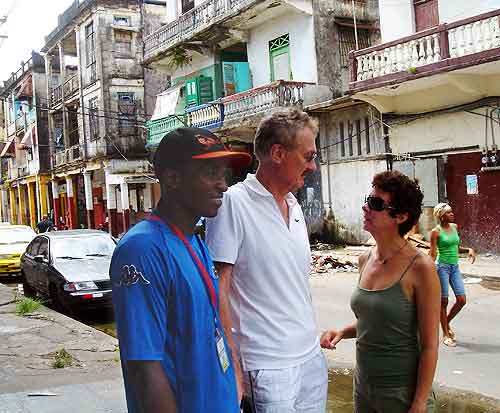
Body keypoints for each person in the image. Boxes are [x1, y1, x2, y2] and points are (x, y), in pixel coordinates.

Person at [110, 127, 251, 413]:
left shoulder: (194, 240)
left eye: (223, 174)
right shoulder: (142, 250)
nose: (223, 185)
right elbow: (144, 367)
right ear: (173, 178)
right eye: (210, 172)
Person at [206, 110, 328, 412]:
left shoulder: (292, 204)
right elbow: (219, 289)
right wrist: (232, 368)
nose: (312, 166)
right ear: (277, 153)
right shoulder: (234, 202)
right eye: (307, 156)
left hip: (310, 357)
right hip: (267, 366)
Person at [321, 171, 440, 413]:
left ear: (401, 216)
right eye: (368, 199)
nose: (365, 207)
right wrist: (342, 331)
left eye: (375, 204)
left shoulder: (421, 267)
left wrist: (418, 403)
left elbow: (430, 345)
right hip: (364, 388)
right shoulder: (365, 259)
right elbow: (377, 321)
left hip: (401, 394)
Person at [430, 203, 475, 347]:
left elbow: (455, 247)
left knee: (461, 300)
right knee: (443, 302)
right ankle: (445, 334)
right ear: (442, 216)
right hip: (441, 267)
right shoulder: (435, 232)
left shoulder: (454, 227)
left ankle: (446, 322)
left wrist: (468, 249)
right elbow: (433, 253)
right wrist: (428, 271)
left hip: (454, 267)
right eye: (449, 213)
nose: (452, 214)